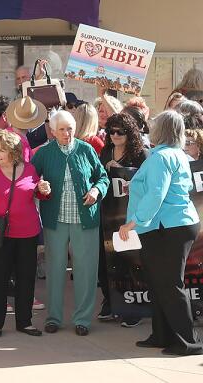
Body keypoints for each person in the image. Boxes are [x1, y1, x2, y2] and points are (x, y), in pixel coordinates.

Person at [118, 111, 202, 355]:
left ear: (161, 130)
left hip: (167, 226)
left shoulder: (161, 157)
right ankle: (162, 335)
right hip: (171, 225)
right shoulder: (175, 154)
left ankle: (188, 342)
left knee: (168, 284)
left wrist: (133, 222)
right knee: (158, 283)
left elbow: (158, 194)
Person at [31, 109, 110, 336]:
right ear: (53, 131)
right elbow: (30, 178)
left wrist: (96, 190)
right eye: (63, 130)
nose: (67, 133)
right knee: (55, 269)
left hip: (84, 218)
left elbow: (102, 176)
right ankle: (54, 317)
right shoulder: (45, 153)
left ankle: (82, 319)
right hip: (56, 219)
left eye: (71, 129)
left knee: (85, 269)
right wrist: (39, 187)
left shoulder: (86, 149)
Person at [0, 130, 45, 338]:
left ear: (14, 152)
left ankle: (24, 321)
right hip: (1, 232)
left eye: (2, 151)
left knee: (26, 277)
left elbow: (39, 194)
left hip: (28, 231)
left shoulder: (30, 169)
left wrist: (43, 189)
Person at [97, 110, 147, 325]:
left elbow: (146, 184)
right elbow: (97, 177)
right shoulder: (106, 151)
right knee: (106, 261)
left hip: (131, 217)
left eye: (120, 132)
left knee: (131, 261)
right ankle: (110, 302)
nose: (115, 135)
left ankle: (133, 309)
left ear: (130, 133)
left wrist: (123, 171)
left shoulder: (140, 154)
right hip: (108, 215)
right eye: (111, 132)